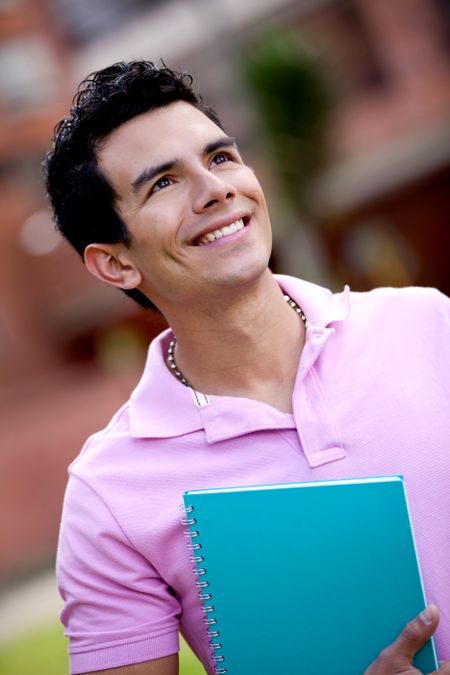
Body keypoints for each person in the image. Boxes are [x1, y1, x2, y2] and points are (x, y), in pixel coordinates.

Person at [44, 60, 450, 675]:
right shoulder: (110, 498)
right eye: (163, 184)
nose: (215, 189)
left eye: (222, 158)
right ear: (116, 264)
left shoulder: (427, 327)